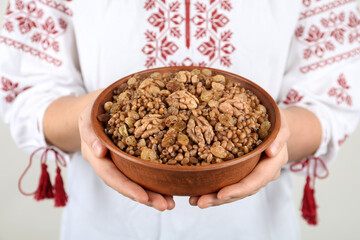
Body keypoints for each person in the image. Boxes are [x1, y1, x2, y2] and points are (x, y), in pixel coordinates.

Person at [1, 0, 359, 239]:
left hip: (252, 226)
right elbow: (32, 92)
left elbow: (329, 99)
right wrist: (92, 123)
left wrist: (282, 136)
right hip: (105, 224)